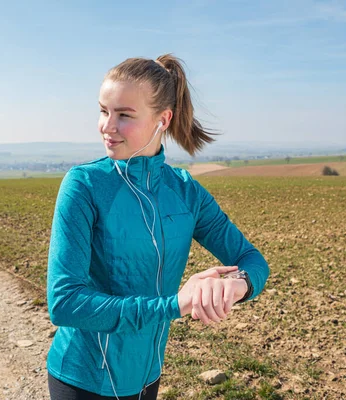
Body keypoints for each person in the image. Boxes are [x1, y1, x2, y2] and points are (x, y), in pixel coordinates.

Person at [46, 54, 269, 400]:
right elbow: (65, 302)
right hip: (83, 380)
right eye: (104, 111)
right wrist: (176, 304)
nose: (107, 126)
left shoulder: (185, 191)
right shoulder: (84, 186)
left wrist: (235, 286)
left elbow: (251, 259)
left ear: (163, 119)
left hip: (148, 376)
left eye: (124, 115)